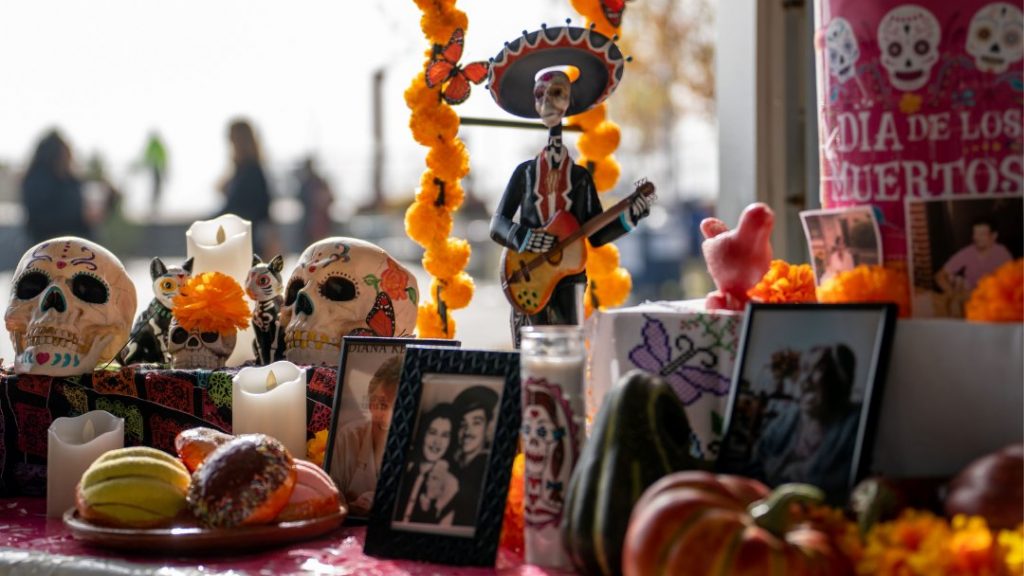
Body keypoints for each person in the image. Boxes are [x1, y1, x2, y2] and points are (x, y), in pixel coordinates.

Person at [487, 27, 652, 346]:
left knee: (568, 352)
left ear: (570, 100)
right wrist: (524, 237)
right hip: (528, 274)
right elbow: (497, 225)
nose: (547, 100)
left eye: (557, 93)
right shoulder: (524, 173)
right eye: (540, 94)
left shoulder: (579, 178)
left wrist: (631, 217)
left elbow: (596, 234)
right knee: (529, 353)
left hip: (570, 280)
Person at [751, 344, 861, 503]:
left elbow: (841, 486)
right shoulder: (786, 419)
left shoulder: (853, 425)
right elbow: (754, 466)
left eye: (816, 369)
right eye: (803, 370)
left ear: (840, 379)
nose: (805, 380)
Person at [329, 356, 402, 516]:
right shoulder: (348, 437)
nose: (389, 416)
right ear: (370, 403)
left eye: (398, 407)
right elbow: (331, 495)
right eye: (382, 405)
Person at [20, 130, 93, 243]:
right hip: (46, 249)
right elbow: (40, 219)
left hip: (79, 250)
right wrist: (80, 214)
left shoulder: (72, 181)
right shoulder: (38, 180)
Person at [395, 402, 460, 525]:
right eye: (432, 432)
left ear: (451, 441)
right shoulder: (406, 467)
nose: (437, 442)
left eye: (445, 436)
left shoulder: (451, 484)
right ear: (423, 433)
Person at [219, 119, 275, 256]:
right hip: (242, 237)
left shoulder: (251, 170)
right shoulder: (243, 169)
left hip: (248, 239)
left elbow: (250, 207)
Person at [935, 217, 1013, 316]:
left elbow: (1010, 286)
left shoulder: (1003, 254)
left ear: (994, 236)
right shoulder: (968, 252)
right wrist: (952, 293)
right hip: (971, 302)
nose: (977, 237)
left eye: (982, 234)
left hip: (995, 303)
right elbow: (939, 275)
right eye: (975, 233)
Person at [449, 385, 499, 526]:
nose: (467, 432)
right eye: (462, 424)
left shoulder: (485, 469)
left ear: (487, 428)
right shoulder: (452, 466)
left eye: (476, 423)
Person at [295, 157, 334, 246]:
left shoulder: (318, 182)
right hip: (311, 223)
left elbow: (330, 199)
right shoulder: (307, 183)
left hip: (321, 222)